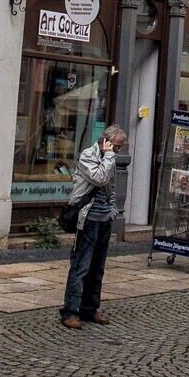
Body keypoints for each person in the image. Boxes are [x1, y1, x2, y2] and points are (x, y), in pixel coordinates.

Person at [59, 126, 126, 329]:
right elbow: (99, 178)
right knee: (81, 266)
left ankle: (90, 308)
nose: (118, 151)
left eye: (119, 148)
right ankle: (70, 311)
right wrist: (108, 156)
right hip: (86, 219)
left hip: (103, 218)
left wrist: (113, 211)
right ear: (106, 142)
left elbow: (110, 187)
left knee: (97, 268)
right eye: (116, 146)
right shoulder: (88, 155)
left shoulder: (110, 158)